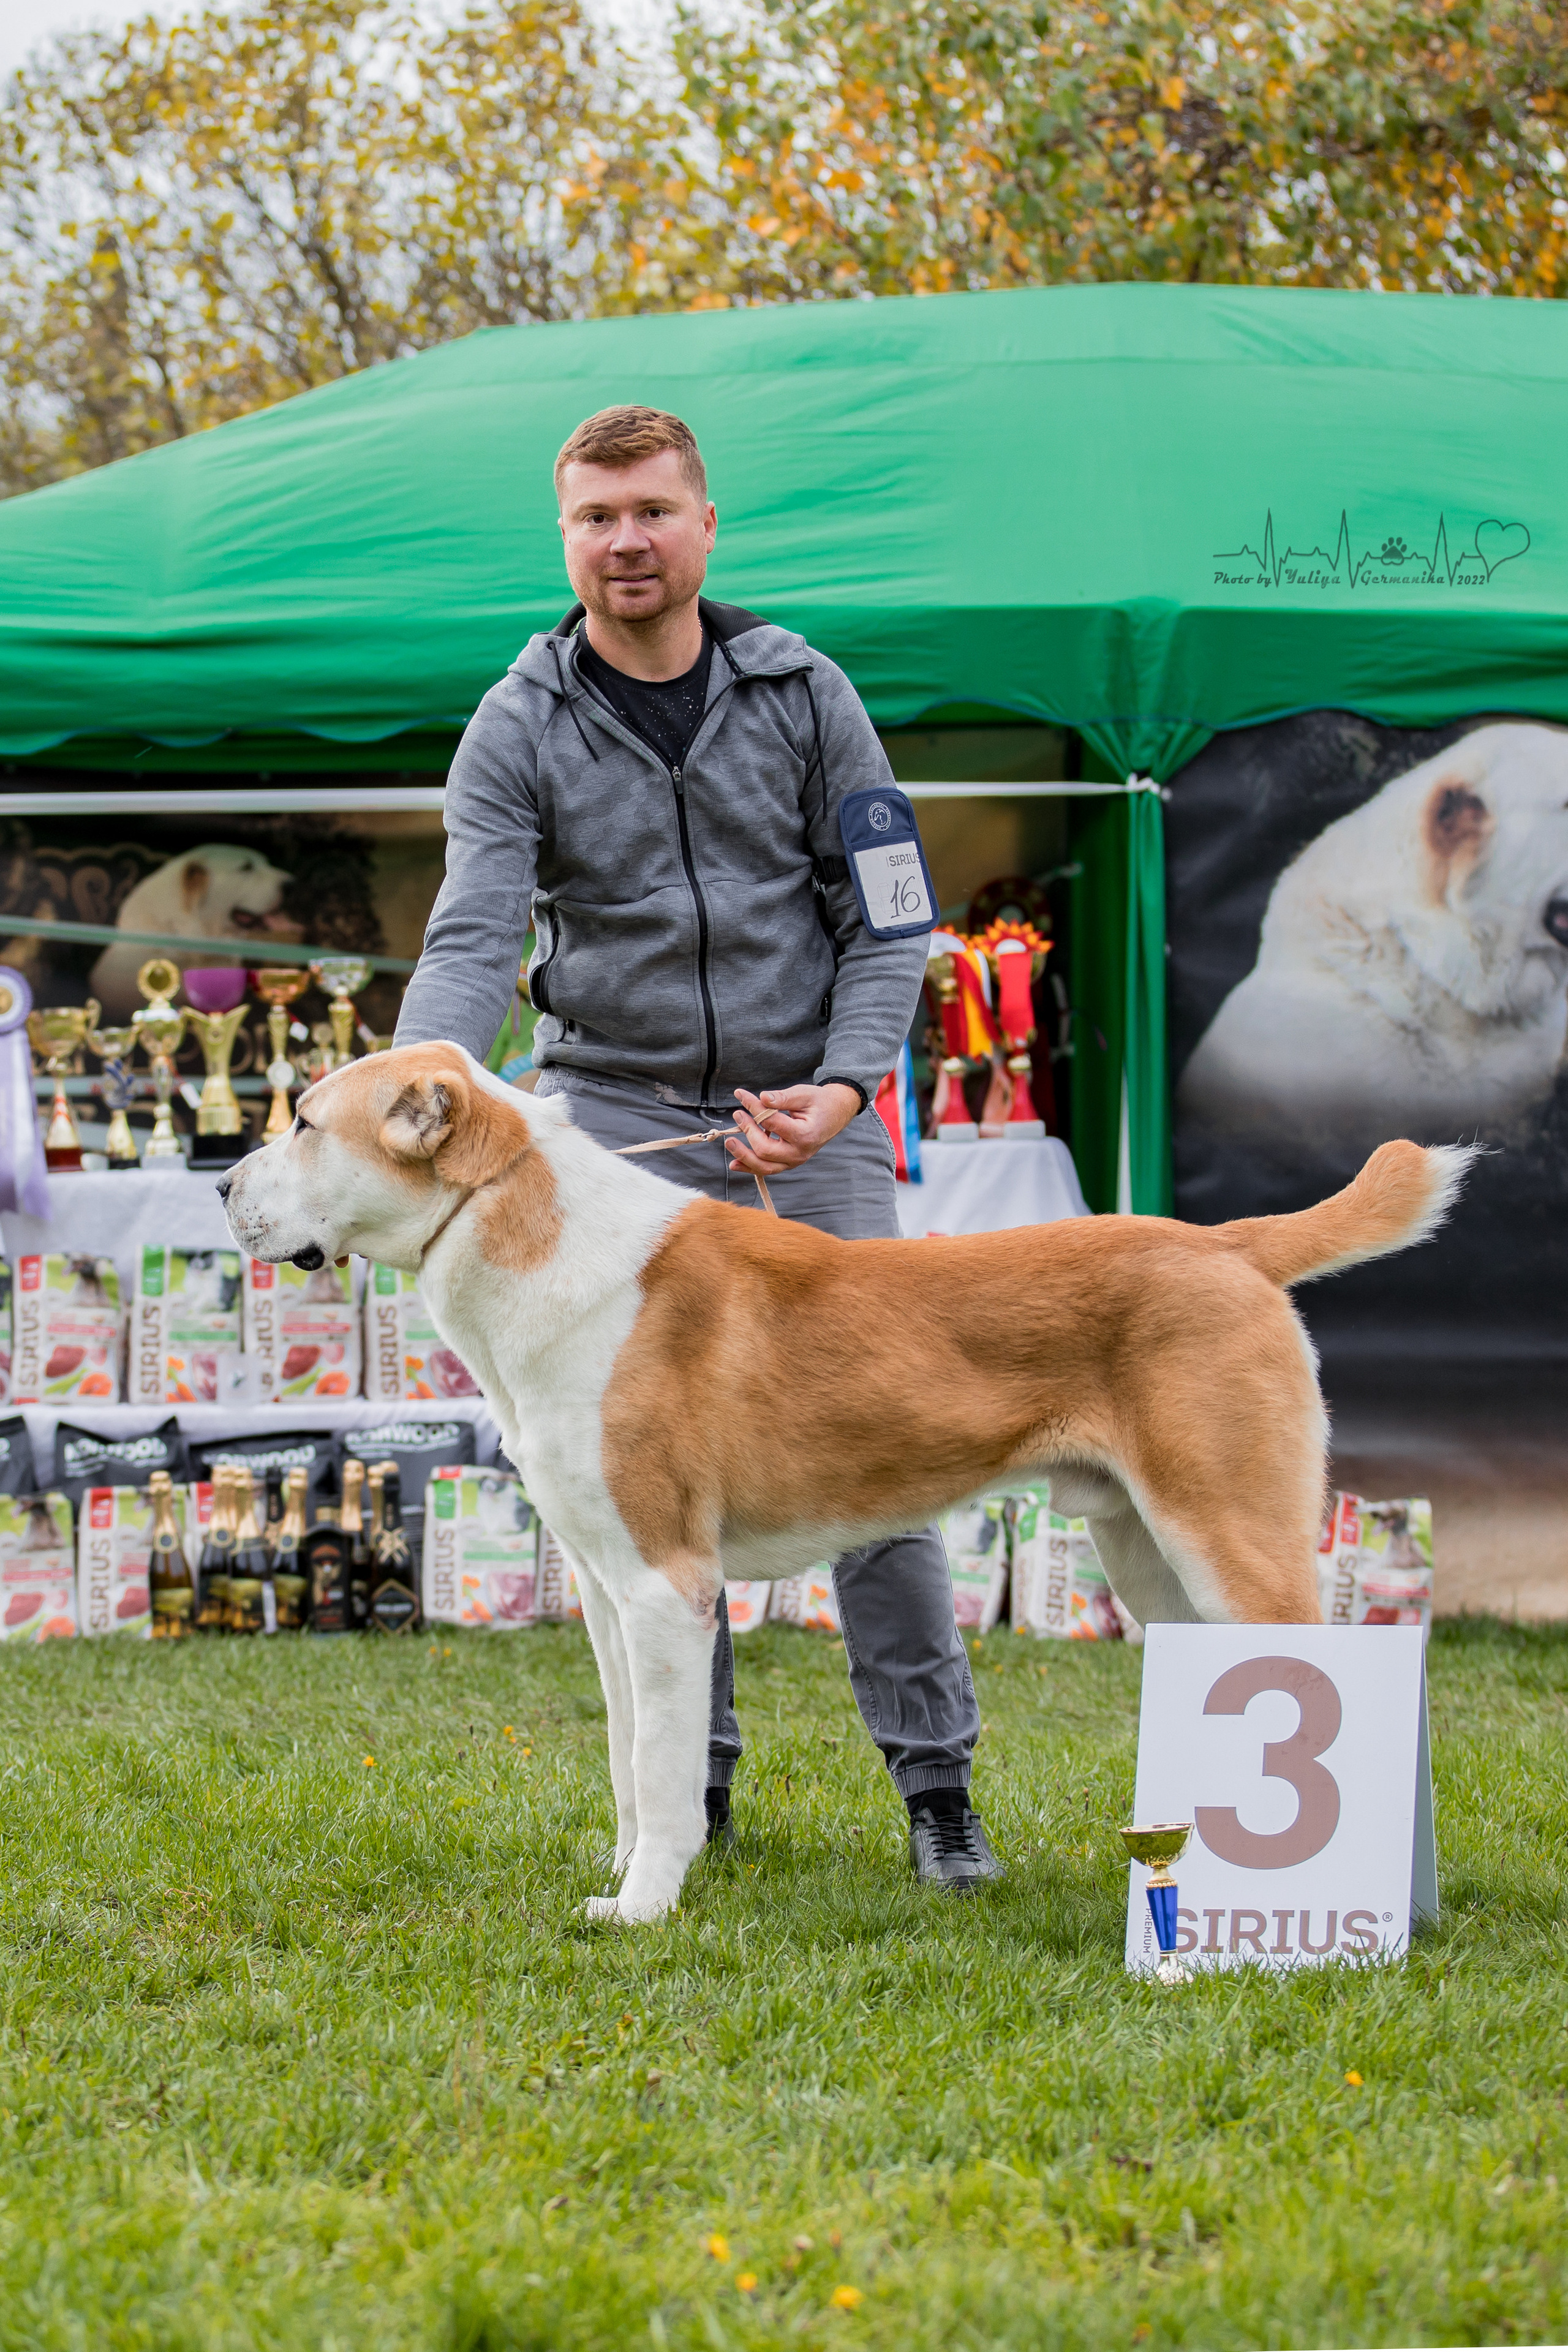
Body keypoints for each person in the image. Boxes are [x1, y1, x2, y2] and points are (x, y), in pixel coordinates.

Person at [395, 404, 999, 1892]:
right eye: (597, 517)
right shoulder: (514, 722)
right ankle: (693, 1800)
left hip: (810, 1123)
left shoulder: (805, 690)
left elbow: (889, 915)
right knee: (645, 1472)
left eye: (653, 511)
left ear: (705, 524)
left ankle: (936, 1791)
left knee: (881, 1450)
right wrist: (420, 1086)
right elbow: (473, 936)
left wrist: (846, 1086)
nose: (627, 542)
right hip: (611, 1131)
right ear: (565, 538)